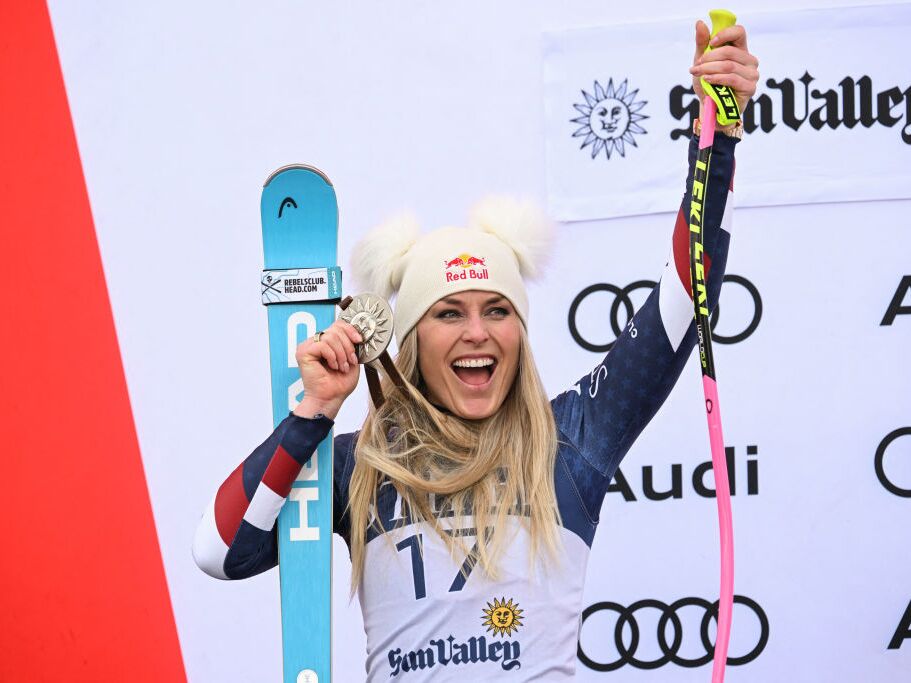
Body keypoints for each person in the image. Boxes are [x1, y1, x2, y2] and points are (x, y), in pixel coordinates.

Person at [193, 20, 759, 681]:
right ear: (409, 340)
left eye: (498, 310)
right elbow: (220, 550)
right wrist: (311, 414)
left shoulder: (570, 439)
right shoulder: (356, 464)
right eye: (447, 313)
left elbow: (681, 301)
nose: (477, 332)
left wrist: (716, 137)